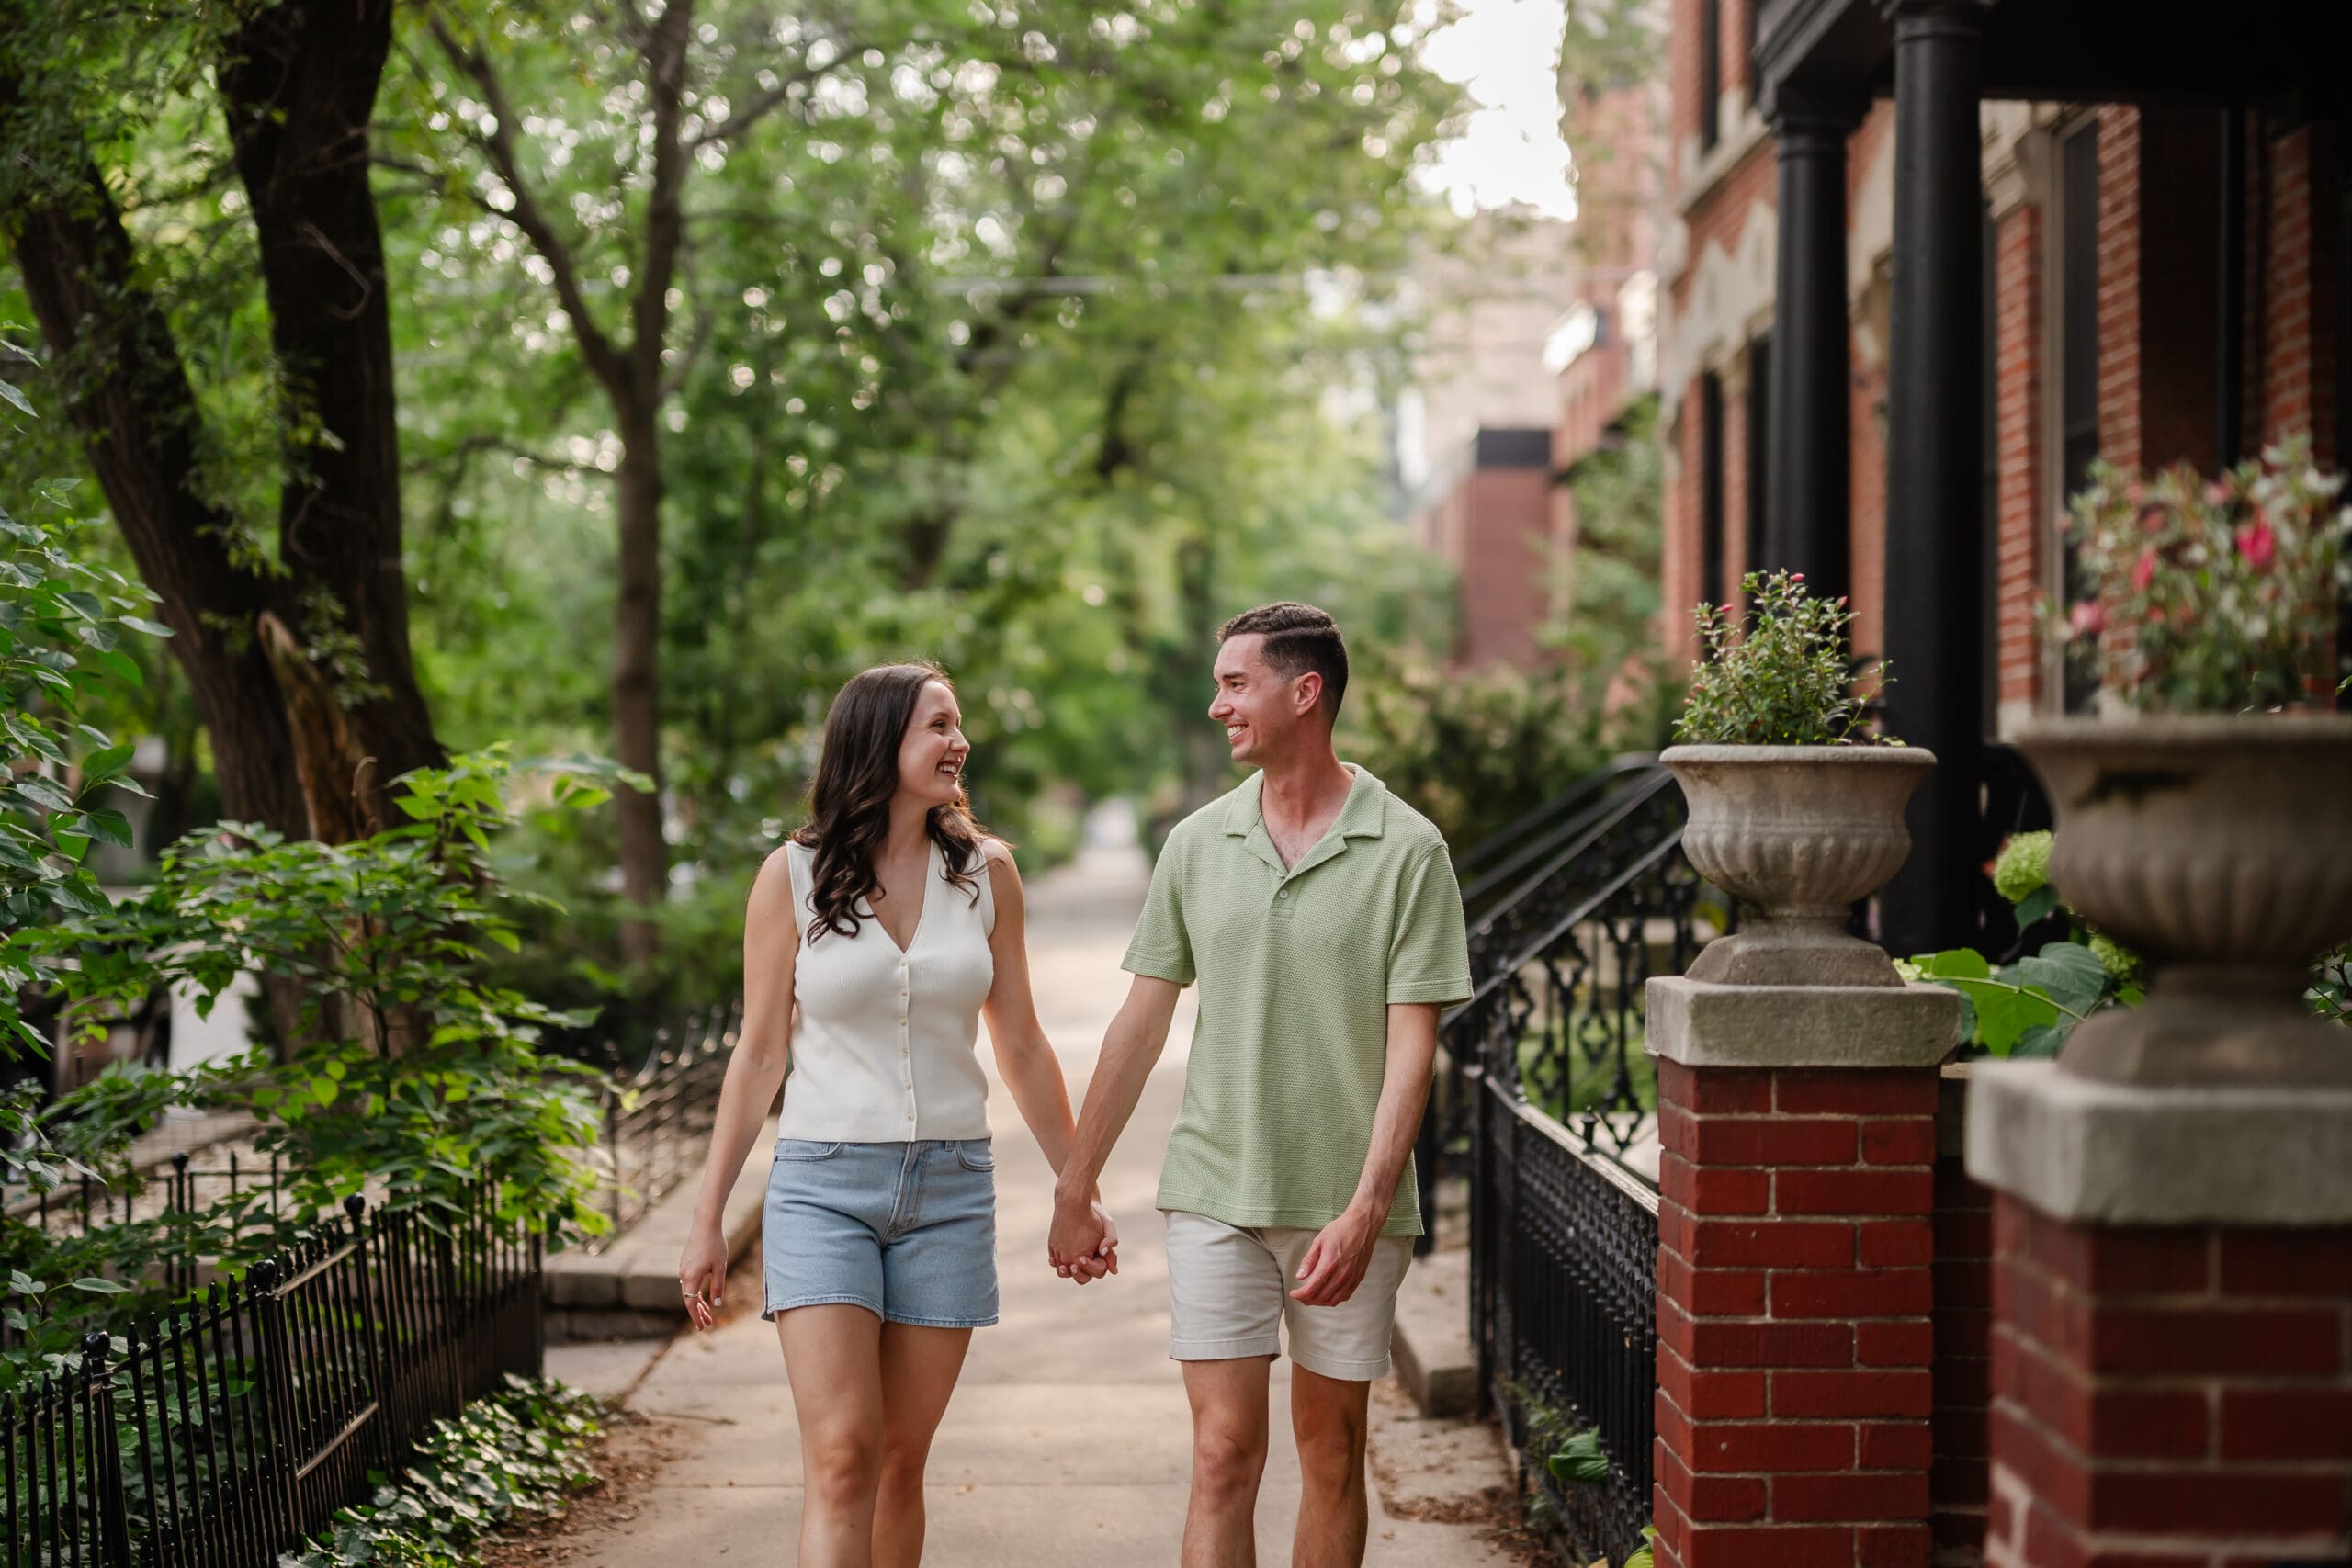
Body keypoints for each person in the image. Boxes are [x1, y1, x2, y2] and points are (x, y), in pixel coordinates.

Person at [1046, 603, 1472, 1568]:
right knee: (1221, 1453)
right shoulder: (1197, 845)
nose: (1216, 706)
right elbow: (1140, 1020)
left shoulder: (1407, 852)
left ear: (1304, 692)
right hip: (1215, 1193)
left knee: (1330, 1452)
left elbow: (1414, 1050)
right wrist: (1076, 1184)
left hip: (1343, 1208)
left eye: (1235, 684)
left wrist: (1367, 1208)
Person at [675, 660, 1117, 1568]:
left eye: (957, 727)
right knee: (841, 1458)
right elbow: (759, 1052)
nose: (960, 743)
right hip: (822, 1189)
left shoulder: (988, 873)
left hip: (950, 1192)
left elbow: (1023, 1045)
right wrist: (707, 1215)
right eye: (939, 727)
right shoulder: (790, 879)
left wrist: (1078, 1187)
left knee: (899, 1462)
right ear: (880, 743)